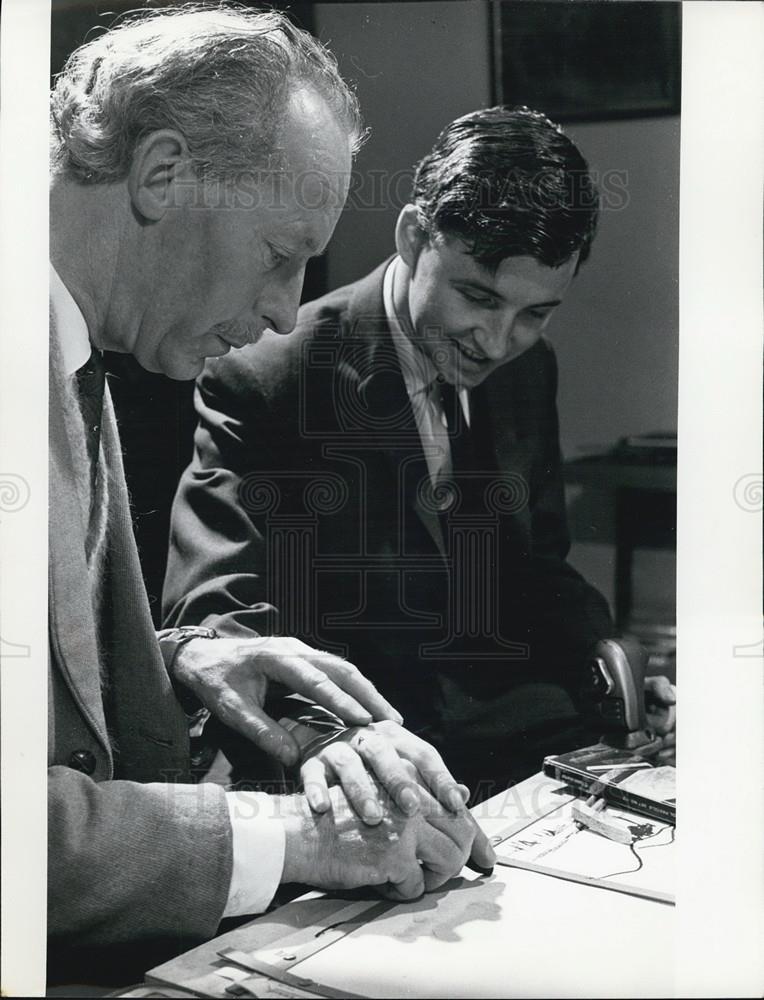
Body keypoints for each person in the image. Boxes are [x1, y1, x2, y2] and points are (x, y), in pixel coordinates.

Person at [48, 6, 491, 982]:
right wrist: (293, 836)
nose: (286, 308)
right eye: (279, 253)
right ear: (162, 174)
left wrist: (192, 661)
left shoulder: (77, 352)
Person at [164, 106, 676, 799]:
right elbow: (220, 609)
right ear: (412, 236)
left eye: (535, 313)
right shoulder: (268, 372)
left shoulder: (531, 367)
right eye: (477, 296)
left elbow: (538, 565)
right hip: (355, 744)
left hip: (503, 735)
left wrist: (615, 662)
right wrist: (330, 735)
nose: (496, 343)